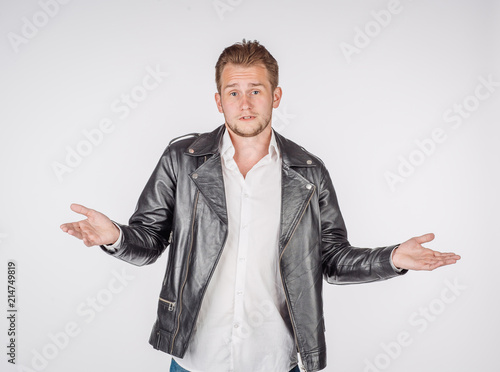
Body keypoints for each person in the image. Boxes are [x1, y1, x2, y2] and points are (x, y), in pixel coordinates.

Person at [60, 39, 461, 372]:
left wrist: (392, 258)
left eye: (256, 90)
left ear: (276, 96)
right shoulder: (181, 160)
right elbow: (148, 240)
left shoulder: (309, 173)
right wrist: (114, 235)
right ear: (219, 100)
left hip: (276, 359)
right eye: (234, 92)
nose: (245, 102)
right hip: (196, 360)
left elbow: (332, 259)